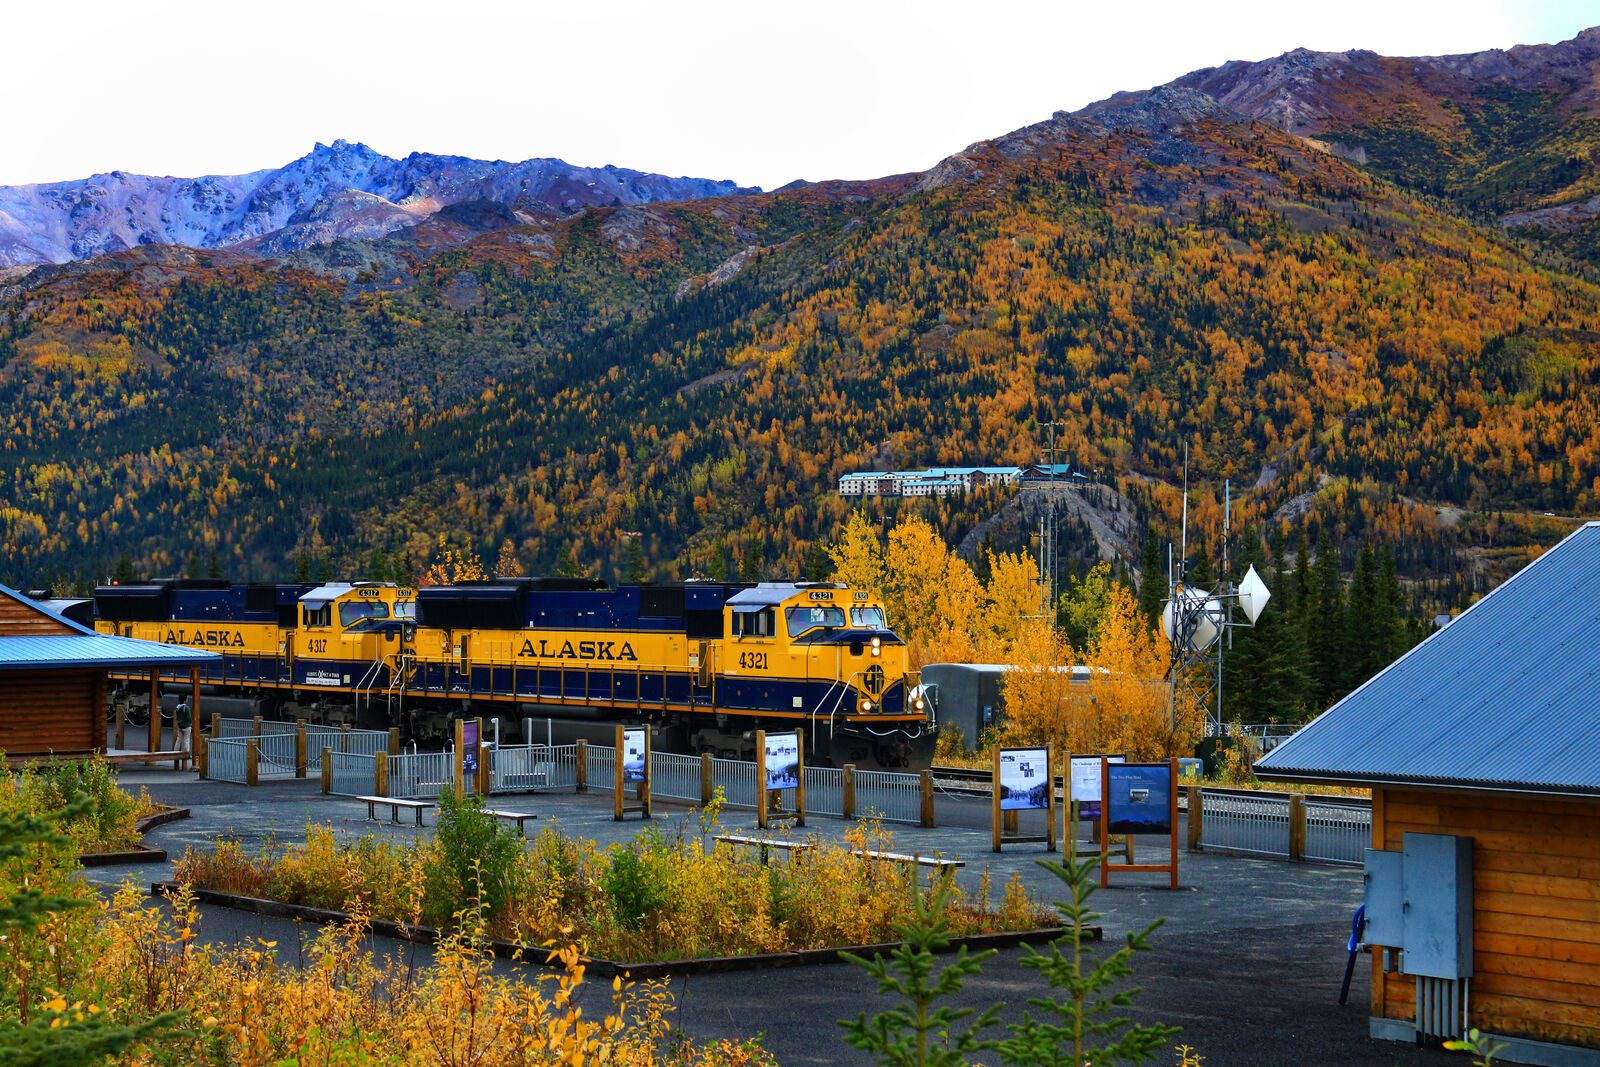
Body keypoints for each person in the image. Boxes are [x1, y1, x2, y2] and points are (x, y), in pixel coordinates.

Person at [174, 699, 193, 767]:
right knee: (186, 739)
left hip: (180, 725)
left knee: (178, 739)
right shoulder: (186, 707)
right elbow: (189, 717)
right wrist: (191, 722)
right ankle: (186, 752)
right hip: (186, 726)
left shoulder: (177, 707)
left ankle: (175, 752)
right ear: (185, 700)